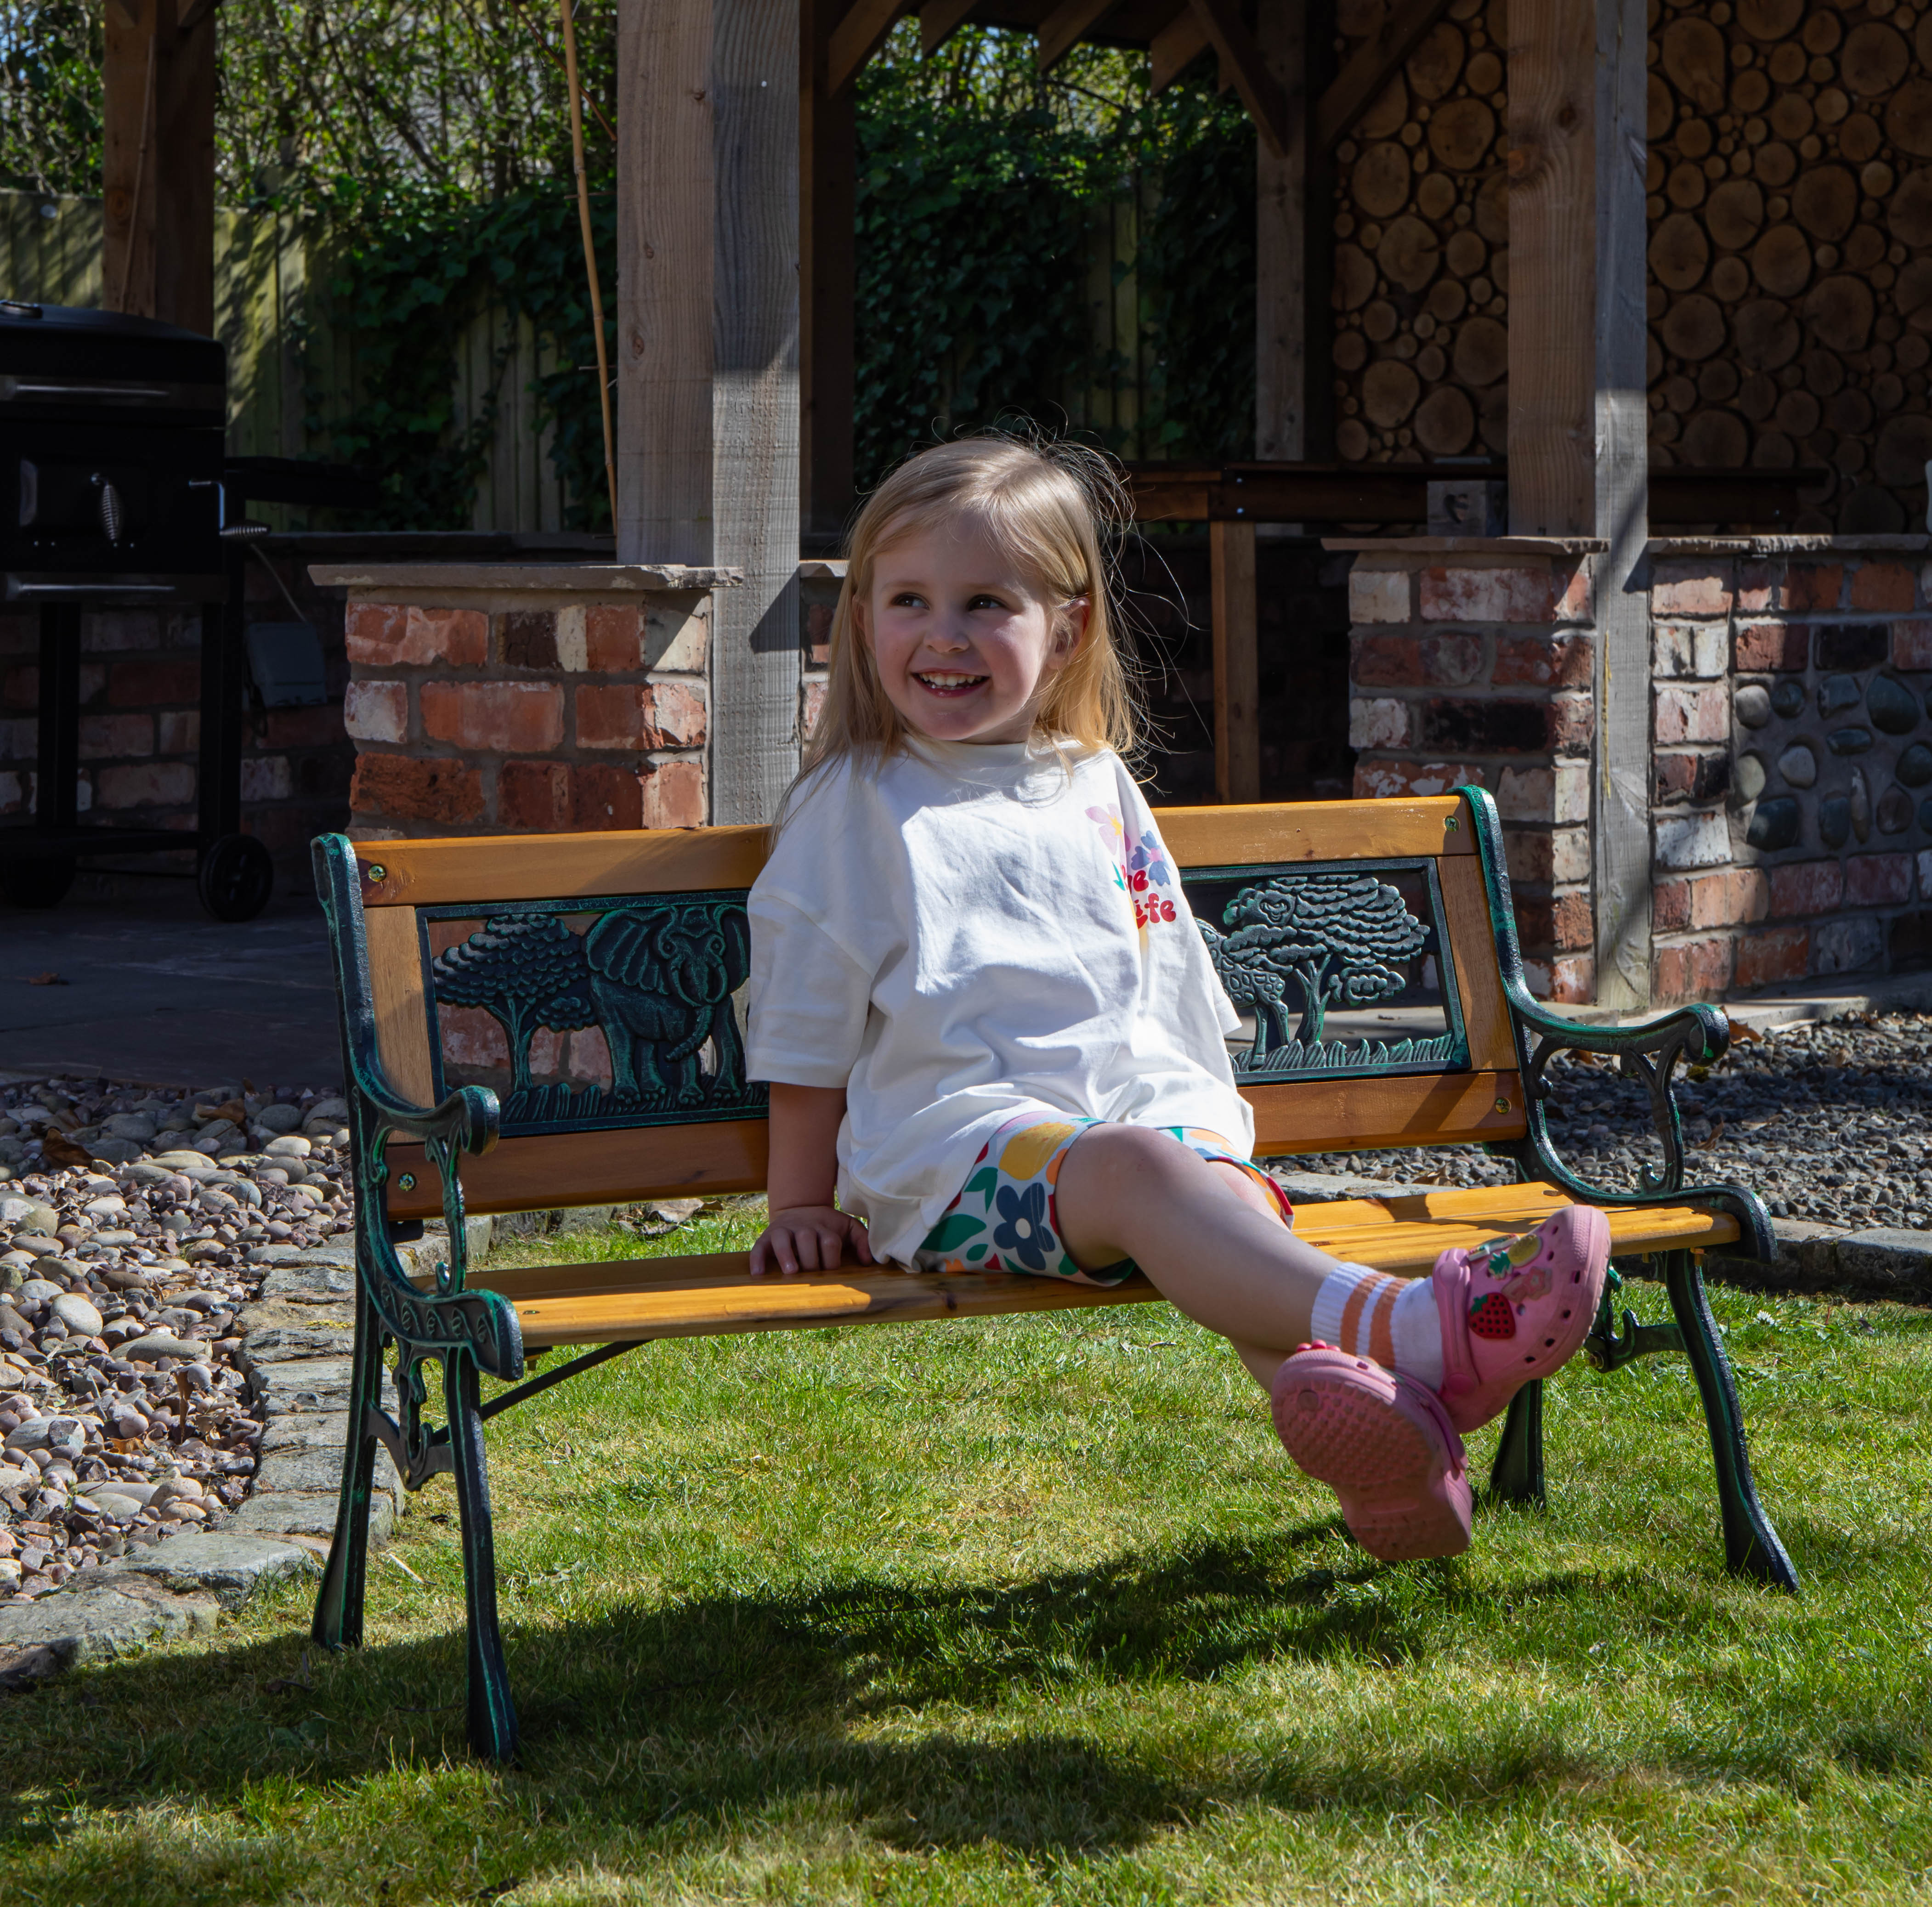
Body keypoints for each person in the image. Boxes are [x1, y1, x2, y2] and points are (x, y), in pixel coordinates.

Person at [744, 434, 1609, 1562]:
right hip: (963, 1165)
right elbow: (805, 1018)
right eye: (909, 599)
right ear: (863, 620)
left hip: (1135, 1136)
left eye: (985, 603)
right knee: (1151, 1174)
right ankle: (1421, 1329)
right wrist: (797, 1203)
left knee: (1212, 1198)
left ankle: (1399, 1459)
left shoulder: (1093, 783)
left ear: (1068, 631)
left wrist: (1199, 1126)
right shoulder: (857, 803)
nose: (943, 634)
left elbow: (1158, 968)